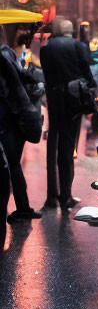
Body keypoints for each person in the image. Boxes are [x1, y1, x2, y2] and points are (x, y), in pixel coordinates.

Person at [39, 19, 96, 211]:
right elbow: (88, 66)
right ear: (71, 31)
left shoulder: (46, 49)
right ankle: (66, 195)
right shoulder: (77, 45)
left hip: (55, 101)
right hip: (73, 101)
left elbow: (46, 75)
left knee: (53, 146)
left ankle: (52, 195)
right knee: (67, 146)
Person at [0, 21, 44, 221]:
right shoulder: (7, 55)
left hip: (8, 120)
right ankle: (22, 207)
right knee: (12, 165)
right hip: (11, 120)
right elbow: (16, 86)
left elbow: (14, 86)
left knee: (11, 164)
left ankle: (22, 207)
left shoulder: (7, 55)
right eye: (21, 29)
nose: (25, 33)